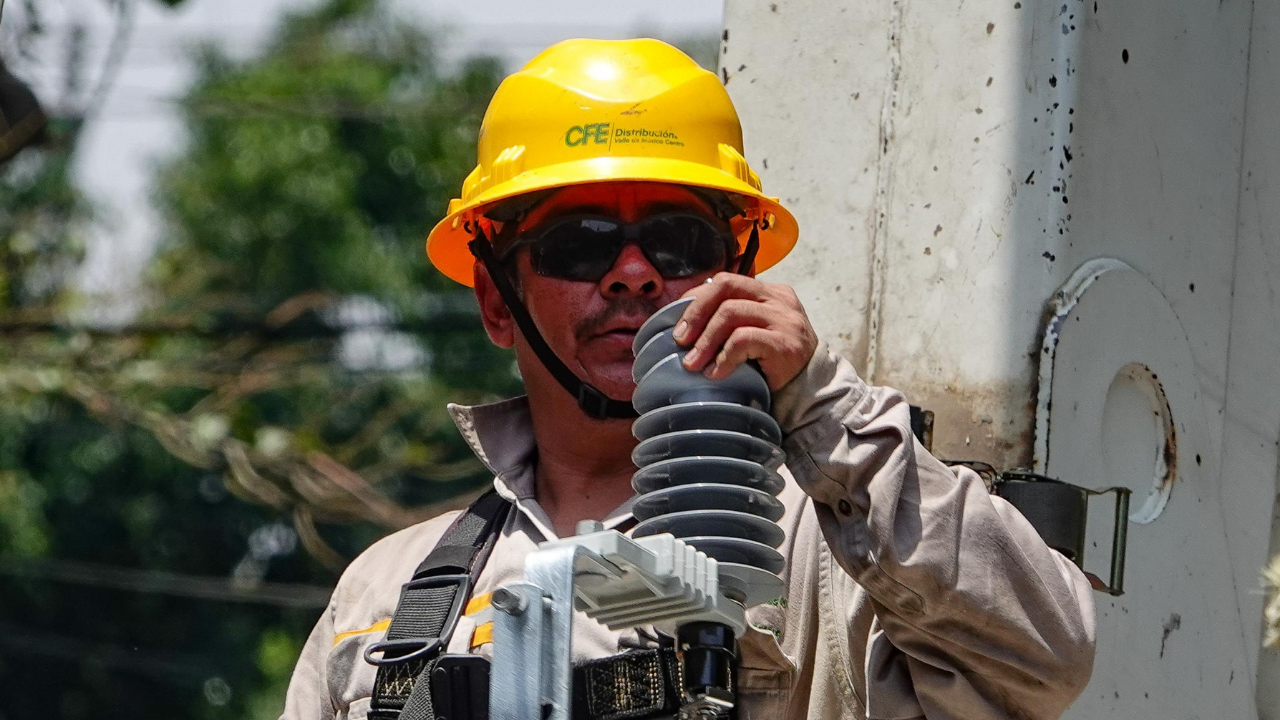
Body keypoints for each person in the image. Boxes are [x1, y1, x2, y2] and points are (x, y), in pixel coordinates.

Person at [281, 38, 1095, 720]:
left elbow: (1044, 659)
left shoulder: (832, 549)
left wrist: (818, 399)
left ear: (736, 274)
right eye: (580, 241)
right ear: (498, 298)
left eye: (676, 242)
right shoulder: (386, 599)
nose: (633, 275)